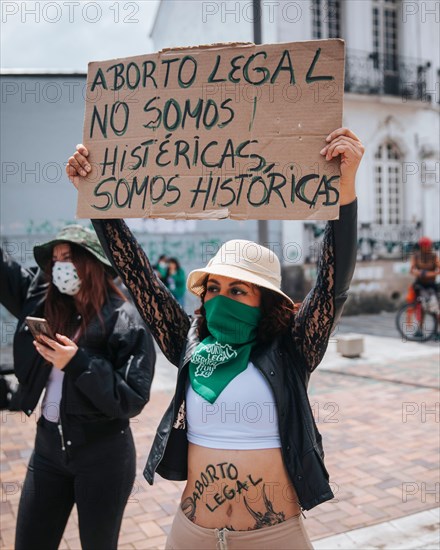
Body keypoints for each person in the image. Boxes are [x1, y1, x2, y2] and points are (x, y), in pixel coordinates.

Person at [66, 127, 363, 549]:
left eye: (238, 291)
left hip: (273, 537)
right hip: (192, 534)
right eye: (214, 289)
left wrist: (346, 189)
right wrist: (95, 197)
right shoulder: (188, 344)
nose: (222, 300)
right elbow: (139, 274)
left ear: (266, 303)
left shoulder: (293, 349)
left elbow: (333, 283)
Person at [0, 225, 156, 550]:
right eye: (55, 260)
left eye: (67, 257)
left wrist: (78, 364)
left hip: (103, 458)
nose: (59, 266)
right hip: (47, 450)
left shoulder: (124, 318)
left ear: (91, 262)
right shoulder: (50, 306)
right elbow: (6, 274)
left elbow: (130, 399)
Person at [410, 236, 440, 308]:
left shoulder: (433, 256)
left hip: (431, 284)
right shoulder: (416, 256)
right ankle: (419, 317)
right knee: (421, 303)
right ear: (422, 246)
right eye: (426, 246)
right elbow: (412, 270)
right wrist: (419, 273)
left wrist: (430, 274)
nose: (428, 247)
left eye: (429, 245)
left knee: (435, 303)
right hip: (420, 284)